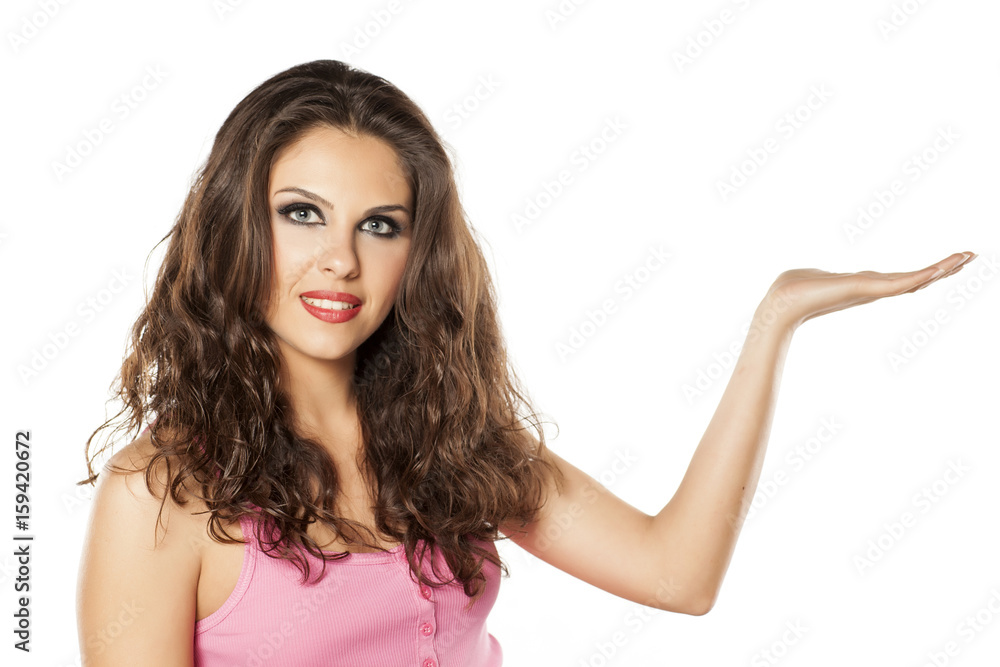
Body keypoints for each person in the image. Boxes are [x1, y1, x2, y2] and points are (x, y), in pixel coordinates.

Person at [74, 59, 977, 666]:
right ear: (236, 224)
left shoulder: (451, 442)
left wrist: (776, 319)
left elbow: (678, 573)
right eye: (302, 213)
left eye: (380, 225)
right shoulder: (160, 495)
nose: (340, 259)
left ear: (417, 252)